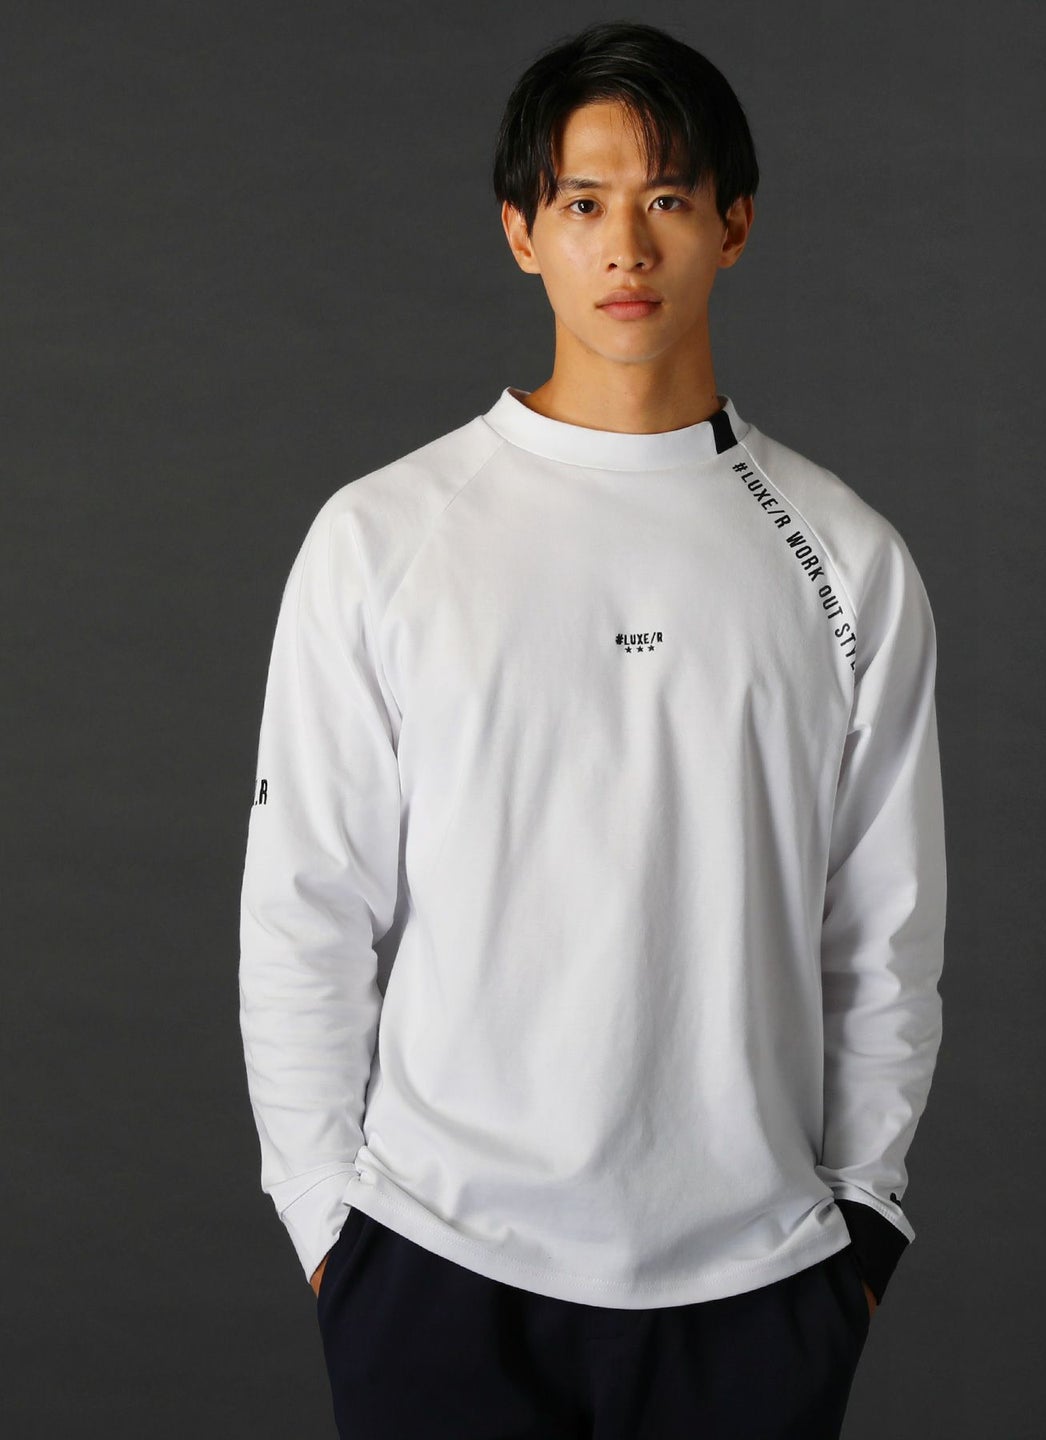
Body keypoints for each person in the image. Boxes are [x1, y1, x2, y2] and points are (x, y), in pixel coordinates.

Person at [238, 19, 947, 1439]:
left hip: (759, 1293)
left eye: (668, 198)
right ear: (522, 231)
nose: (626, 246)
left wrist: (862, 1227)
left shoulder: (846, 558)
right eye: (583, 202)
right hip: (435, 1272)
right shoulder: (384, 538)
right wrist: (329, 1222)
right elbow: (305, 908)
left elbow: (884, 932)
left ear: (734, 226)